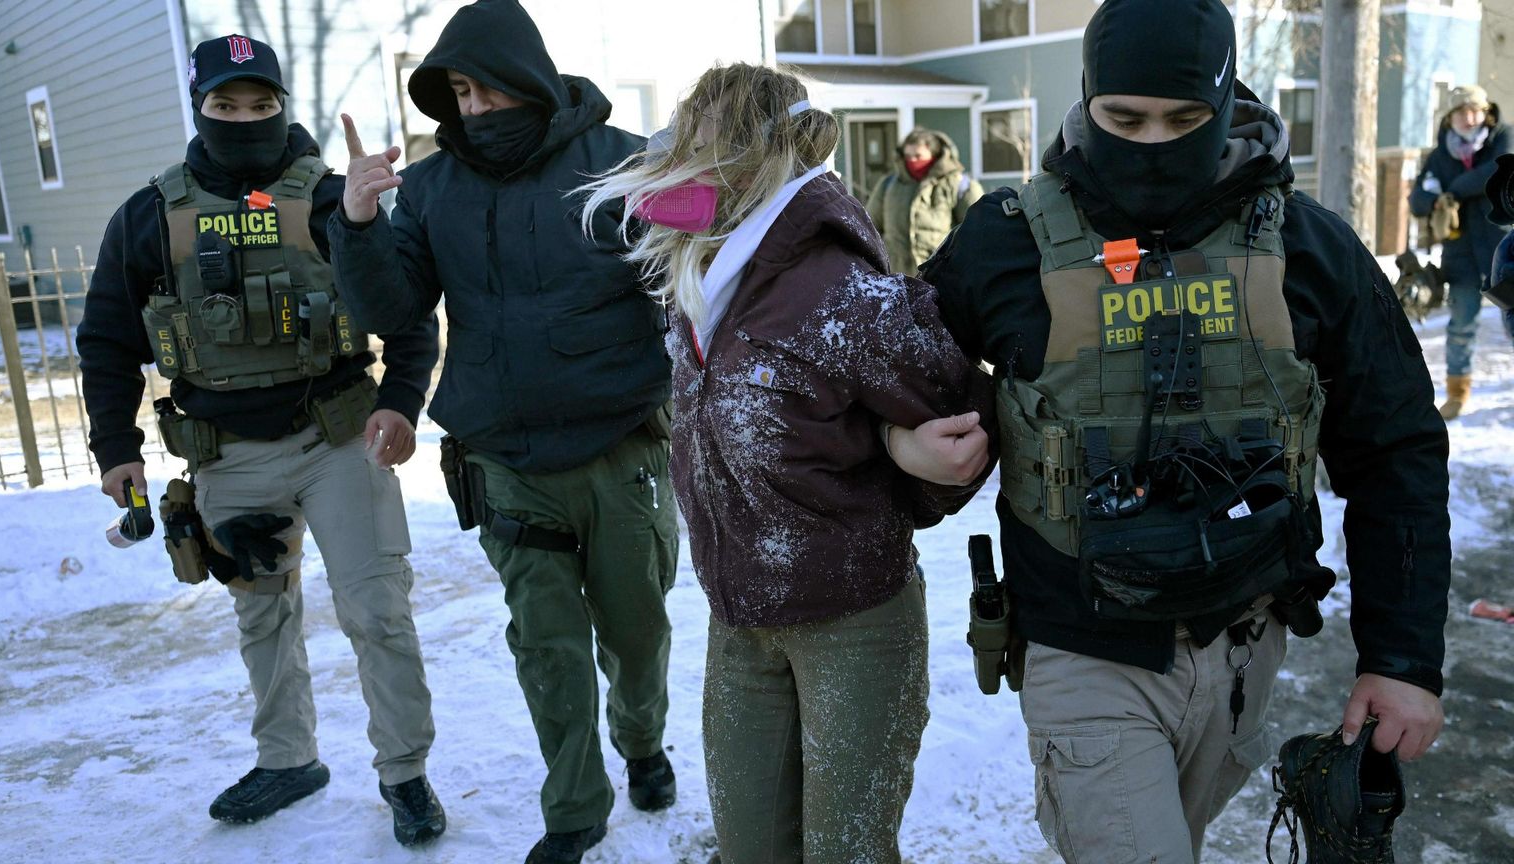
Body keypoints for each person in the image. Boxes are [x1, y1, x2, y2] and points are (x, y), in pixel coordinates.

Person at [917, 2, 1451, 861]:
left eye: (1184, 120)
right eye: (1124, 119)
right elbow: (887, 387)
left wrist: (1403, 657)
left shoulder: (1308, 246)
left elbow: (1397, 451)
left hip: (1243, 646)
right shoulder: (1004, 243)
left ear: (1225, 101)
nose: (1153, 143)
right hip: (1082, 645)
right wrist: (916, 457)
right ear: (1086, 99)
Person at [580, 64, 993, 864]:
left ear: (746, 154)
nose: (669, 158)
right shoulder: (701, 278)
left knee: (846, 854)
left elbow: (970, 423)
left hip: (855, 622)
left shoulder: (839, 291)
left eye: (690, 138)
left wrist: (898, 448)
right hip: (738, 622)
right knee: (750, 850)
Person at [327, 3, 678, 861]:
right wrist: (360, 224)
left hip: (619, 443)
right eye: (457, 93)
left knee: (636, 634)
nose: (474, 108)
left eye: (485, 88)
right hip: (505, 453)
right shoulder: (434, 187)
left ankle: (642, 739)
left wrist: (705, 180)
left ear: (527, 79)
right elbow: (393, 308)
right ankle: (574, 810)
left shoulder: (623, 162)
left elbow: (696, 254)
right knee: (547, 648)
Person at [76, 34, 446, 845]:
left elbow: (407, 316)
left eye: (261, 103)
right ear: (199, 108)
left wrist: (403, 403)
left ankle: (406, 775)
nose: (245, 117)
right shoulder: (149, 215)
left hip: (337, 440)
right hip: (225, 454)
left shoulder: (330, 198)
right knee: (263, 617)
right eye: (226, 104)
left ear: (283, 105)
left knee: (377, 611)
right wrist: (118, 449)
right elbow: (106, 341)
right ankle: (288, 760)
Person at [1408, 84, 1513, 419]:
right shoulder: (1440, 155)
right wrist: (1437, 201)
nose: (1469, 118)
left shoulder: (1503, 139)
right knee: (1461, 325)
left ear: (1486, 113)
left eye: (1475, 111)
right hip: (1460, 254)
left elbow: (1492, 176)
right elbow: (1416, 200)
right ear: (1450, 117)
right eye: (1461, 112)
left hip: (1502, 252)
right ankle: (1457, 393)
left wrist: (1451, 190)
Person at [865, 128, 984, 277]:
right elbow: (868, 227)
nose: (912, 161)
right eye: (908, 156)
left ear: (934, 155)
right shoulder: (888, 185)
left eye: (918, 156)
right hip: (897, 279)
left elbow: (979, 231)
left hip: (942, 279)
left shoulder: (959, 185)